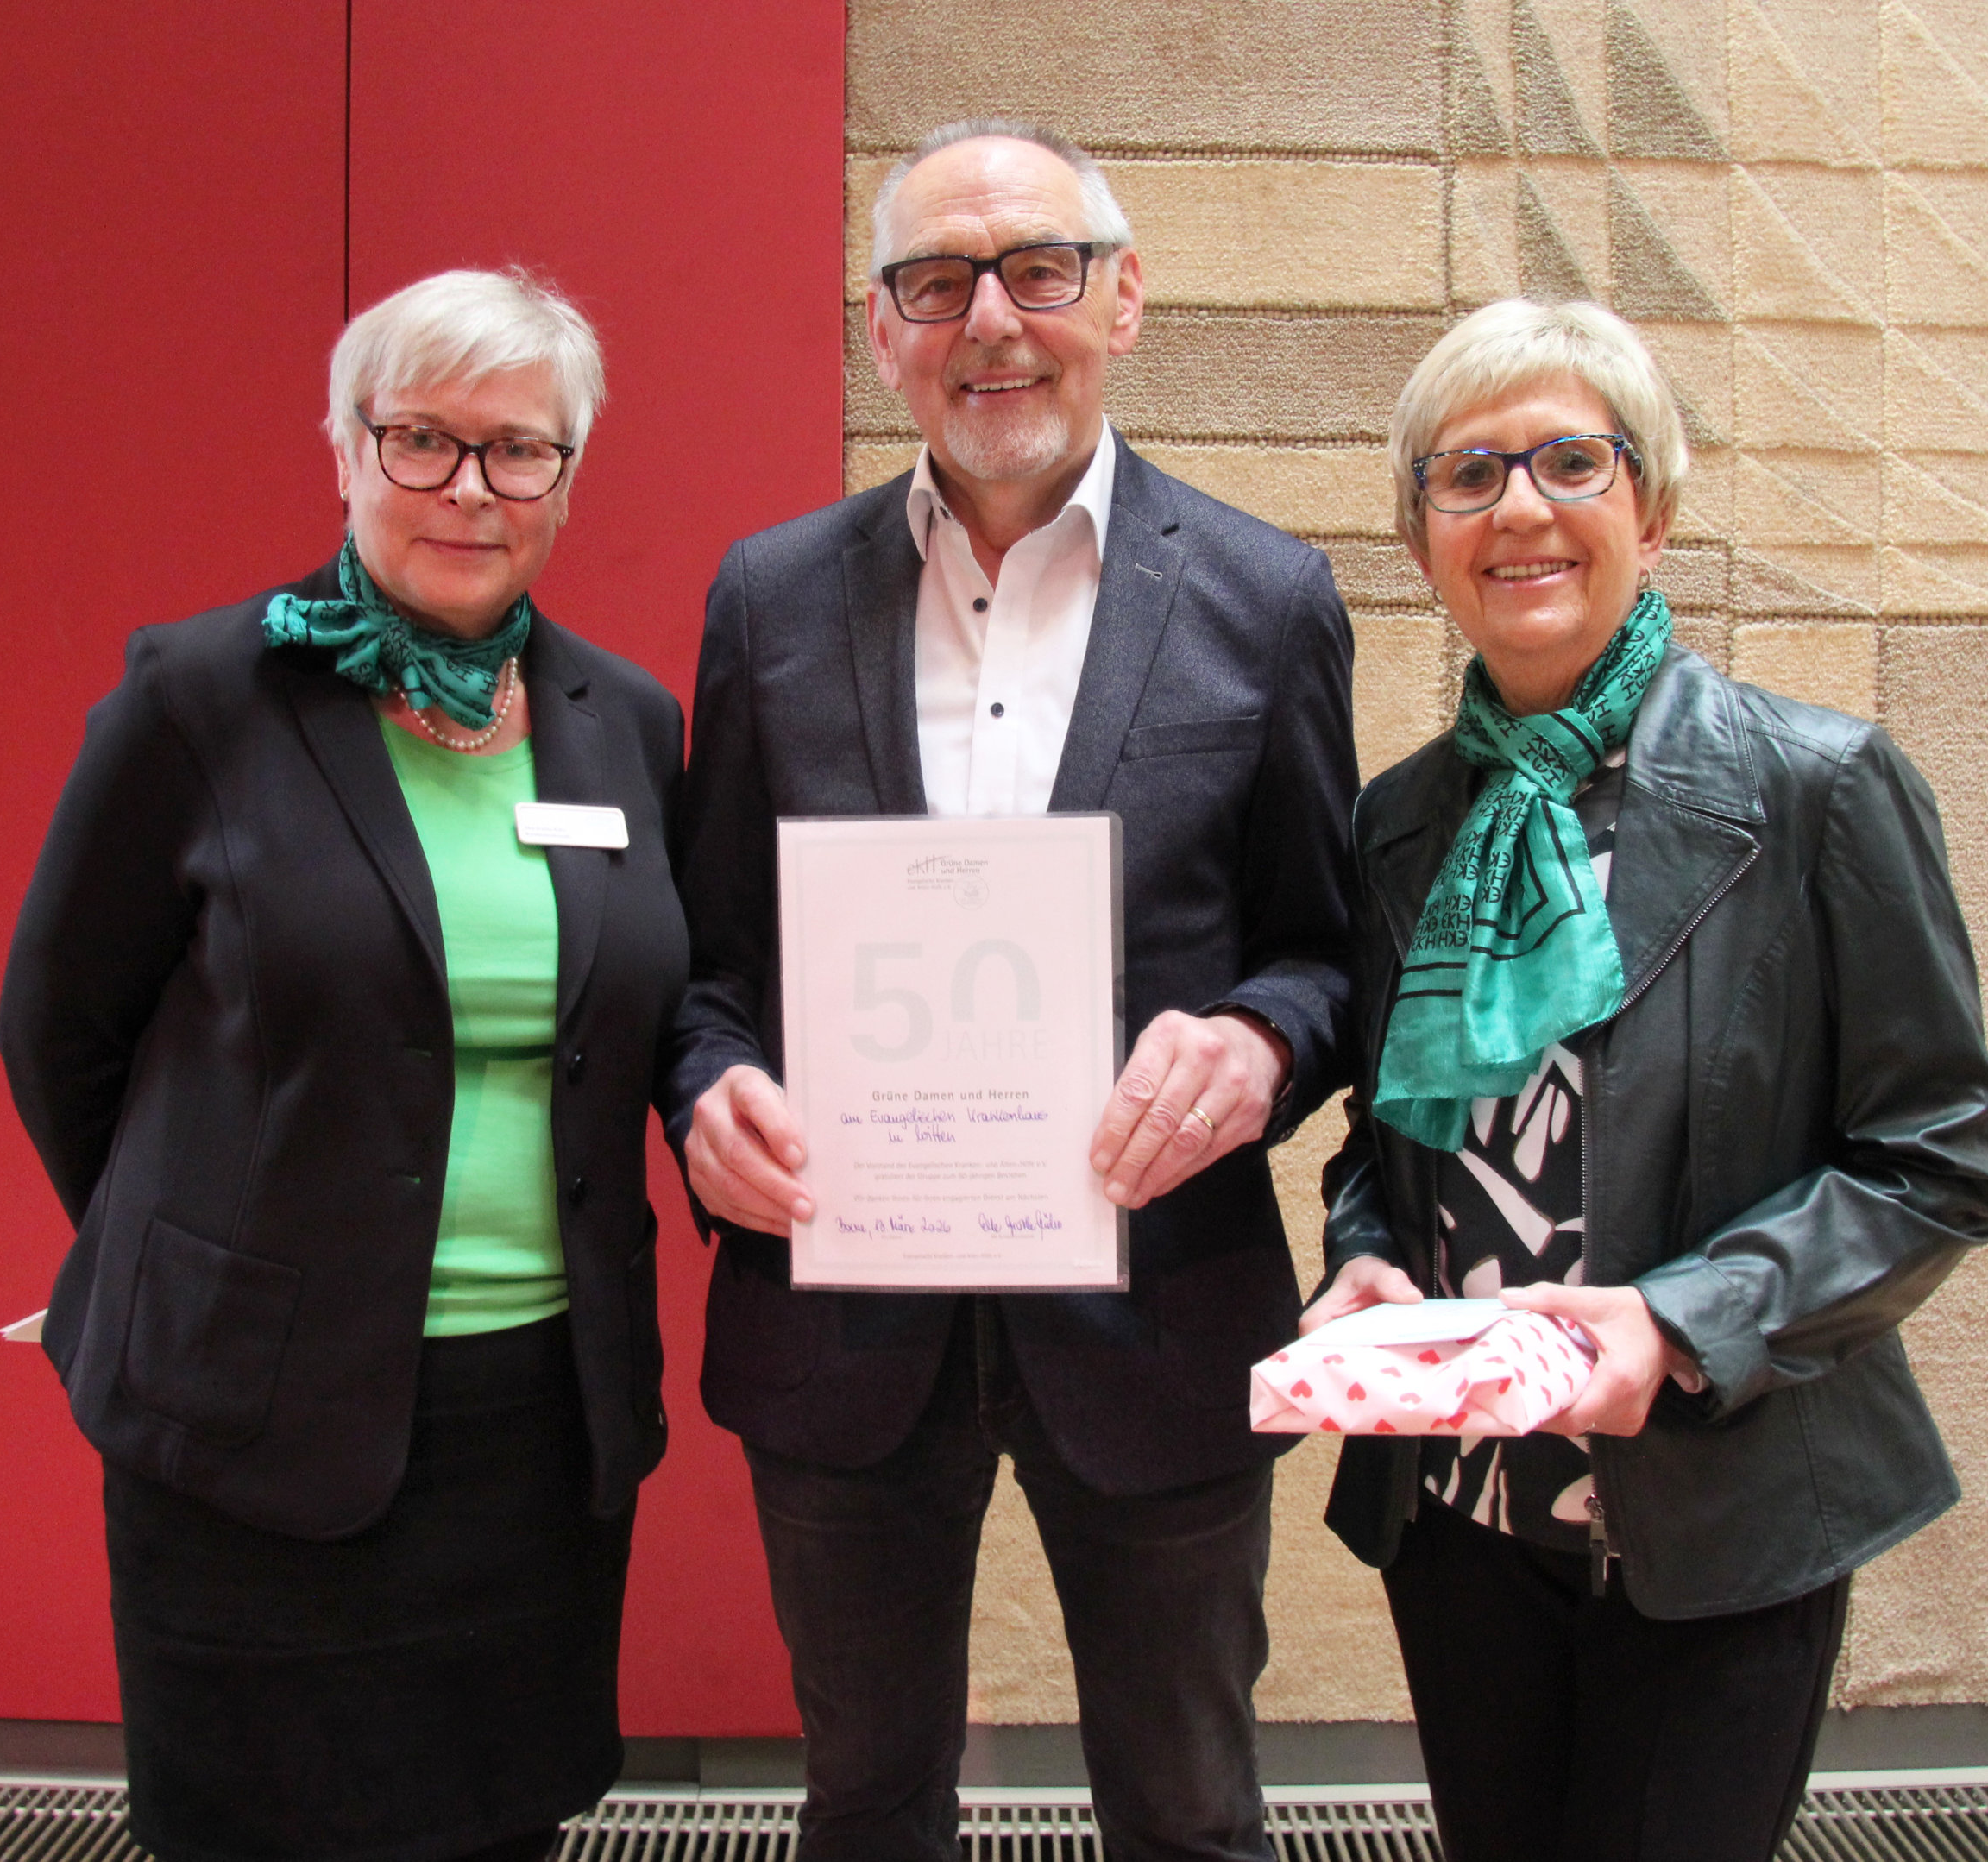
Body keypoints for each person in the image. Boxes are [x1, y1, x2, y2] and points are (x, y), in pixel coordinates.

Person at [665, 120, 1356, 1861]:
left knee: (1189, 1811)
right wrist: (702, 1088)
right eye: (933, 280)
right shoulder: (764, 597)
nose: (990, 318)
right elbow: (703, 960)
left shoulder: (1264, 597)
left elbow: (1335, 948)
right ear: (876, 329)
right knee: (864, 1798)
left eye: (1037, 268)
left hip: (1159, 1307)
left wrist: (1261, 1036)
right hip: (840, 1318)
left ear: (1121, 299)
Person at [1305, 297, 1988, 1862]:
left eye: (1573, 459)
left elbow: (1942, 1157)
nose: (1522, 509)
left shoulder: (1817, 785)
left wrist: (1683, 1322)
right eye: (1468, 473)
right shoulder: (1405, 820)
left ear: (1654, 502)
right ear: (1422, 535)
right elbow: (1392, 1127)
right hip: (1462, 1513)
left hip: (1716, 1514)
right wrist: (1363, 1250)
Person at [0, 268, 687, 1862]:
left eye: (519, 450)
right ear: (345, 454)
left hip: (534, 1417)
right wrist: (202, 1243)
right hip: (252, 1419)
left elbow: (653, 1018)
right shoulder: (201, 699)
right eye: (421, 440)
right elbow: (60, 1024)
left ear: (568, 481)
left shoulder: (621, 725)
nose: (469, 488)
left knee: (498, 1820)